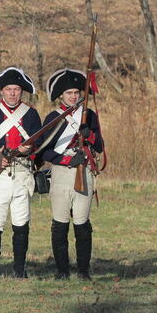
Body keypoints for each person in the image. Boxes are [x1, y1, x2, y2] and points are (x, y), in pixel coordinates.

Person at [36, 68, 104, 280]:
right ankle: (62, 271)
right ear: (61, 96)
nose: (73, 96)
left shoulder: (89, 115)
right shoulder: (53, 117)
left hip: (84, 171)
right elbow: (43, 150)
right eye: (69, 93)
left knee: (82, 223)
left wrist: (89, 135)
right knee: (60, 223)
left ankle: (83, 270)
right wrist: (64, 159)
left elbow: (100, 146)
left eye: (76, 92)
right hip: (61, 173)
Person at [0, 67, 42, 279]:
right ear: (1, 91)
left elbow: (40, 143)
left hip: (22, 173)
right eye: (8, 89)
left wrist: (31, 150)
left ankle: (19, 270)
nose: (13, 93)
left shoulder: (31, 114)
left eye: (16, 89)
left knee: (21, 223)